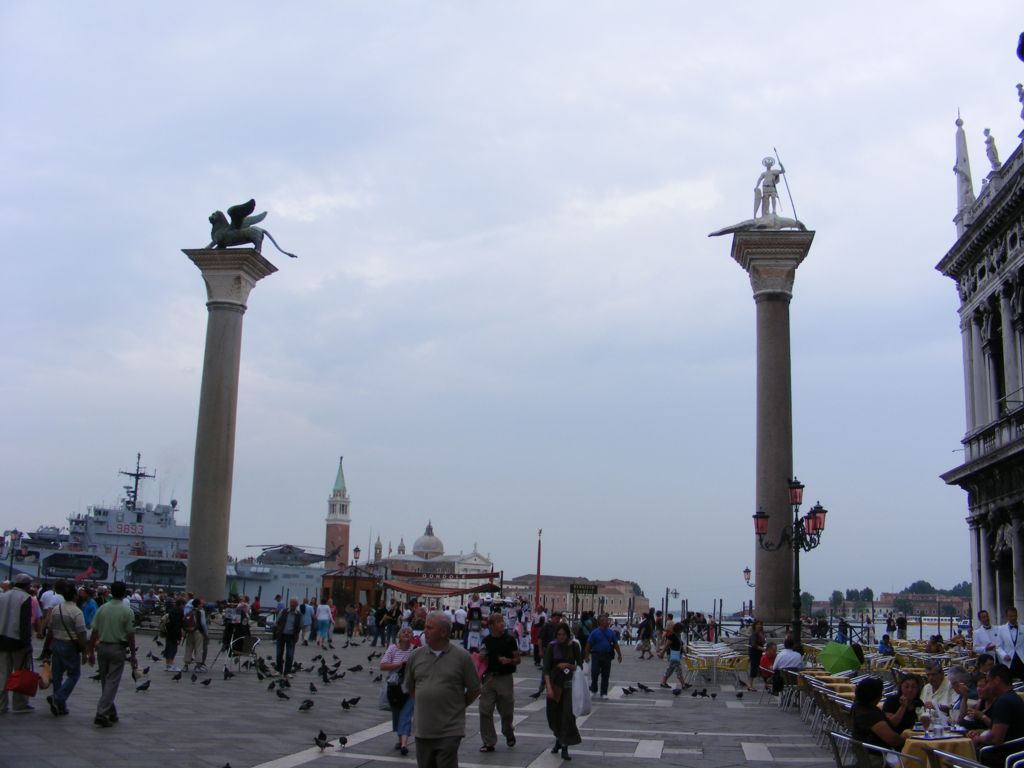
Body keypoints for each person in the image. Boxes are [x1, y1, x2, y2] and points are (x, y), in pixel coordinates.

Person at [405, 611, 480, 768]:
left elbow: (474, 689)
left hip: (450, 729)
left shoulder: (462, 657)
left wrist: (458, 705)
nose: (425, 631)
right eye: (425, 627)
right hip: (423, 729)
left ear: (443, 632)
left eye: (430, 627)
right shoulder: (415, 656)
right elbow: (411, 687)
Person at [86, 581, 138, 727]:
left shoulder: (102, 609)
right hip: (117, 648)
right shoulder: (127, 611)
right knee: (112, 682)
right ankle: (101, 713)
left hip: (101, 647)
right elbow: (131, 635)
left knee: (105, 681)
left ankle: (111, 711)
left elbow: (94, 632)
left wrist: (90, 652)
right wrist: (133, 655)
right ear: (123, 594)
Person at [478, 612, 520, 753]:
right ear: (491, 626)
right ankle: (489, 741)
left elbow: (518, 659)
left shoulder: (509, 640)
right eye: (498, 622)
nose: (502, 624)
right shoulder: (486, 641)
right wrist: (481, 657)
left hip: (505, 678)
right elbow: (481, 656)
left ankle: (508, 732)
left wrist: (509, 661)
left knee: (507, 712)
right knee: (485, 710)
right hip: (489, 678)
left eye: (502, 621)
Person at [45, 581, 88, 717]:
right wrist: (85, 652)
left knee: (57, 675)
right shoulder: (77, 612)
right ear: (75, 596)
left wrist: (47, 647)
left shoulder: (57, 609)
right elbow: (81, 634)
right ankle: (58, 698)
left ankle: (60, 706)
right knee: (74, 674)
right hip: (70, 645)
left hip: (56, 643)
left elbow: (50, 630)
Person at [969, 665, 1024, 767]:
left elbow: (996, 738)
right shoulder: (1014, 698)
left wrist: (978, 739)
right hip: (1017, 751)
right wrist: (980, 732)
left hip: (1003, 756)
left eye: (989, 681)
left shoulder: (1003, 702)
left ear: (997, 680)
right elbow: (1009, 730)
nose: (988, 686)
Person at [544, 622, 582, 761]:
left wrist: (568, 665)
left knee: (567, 716)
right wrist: (548, 687)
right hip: (555, 685)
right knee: (553, 715)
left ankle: (565, 745)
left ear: (567, 634)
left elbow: (580, 665)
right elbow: (546, 669)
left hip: (569, 686)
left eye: (563, 634)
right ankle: (558, 739)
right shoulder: (551, 647)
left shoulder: (574, 646)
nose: (561, 637)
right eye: (559, 634)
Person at [0, 573, 37, 714]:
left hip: (1, 638)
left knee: (3, 673)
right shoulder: (26, 598)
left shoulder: (3, 596)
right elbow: (25, 624)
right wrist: (27, 643)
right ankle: (19, 703)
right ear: (27, 585)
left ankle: (1, 704)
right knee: (21, 672)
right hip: (18, 641)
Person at [380, 626, 416, 756]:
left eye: (409, 632)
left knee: (406, 714)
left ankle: (404, 744)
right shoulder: (392, 648)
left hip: (410, 688)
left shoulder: (416, 650)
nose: (406, 633)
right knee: (397, 714)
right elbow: (382, 666)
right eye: (403, 632)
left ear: (412, 636)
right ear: (399, 636)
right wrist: (399, 664)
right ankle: (400, 737)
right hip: (395, 687)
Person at [852, 676, 906, 752]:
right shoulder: (868, 714)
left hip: (866, 754)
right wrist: (905, 739)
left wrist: (903, 707)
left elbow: (891, 723)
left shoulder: (859, 706)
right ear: (876, 696)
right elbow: (892, 739)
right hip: (879, 757)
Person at [583, 613, 622, 699]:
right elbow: (588, 645)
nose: (607, 622)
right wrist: (586, 656)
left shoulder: (611, 632)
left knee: (606, 674)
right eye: (605, 620)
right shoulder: (594, 633)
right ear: (600, 622)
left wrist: (619, 654)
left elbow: (615, 644)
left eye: (607, 620)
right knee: (595, 673)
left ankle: (604, 692)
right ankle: (594, 690)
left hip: (607, 655)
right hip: (596, 655)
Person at [274, 598, 301, 676]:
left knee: (290, 655)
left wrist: (297, 634)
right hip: (281, 635)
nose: (292, 605)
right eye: (291, 603)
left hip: (291, 636)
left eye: (293, 604)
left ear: (296, 605)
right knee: (279, 653)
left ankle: (287, 672)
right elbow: (277, 621)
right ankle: (279, 670)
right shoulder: (284, 611)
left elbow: (300, 626)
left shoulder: (298, 615)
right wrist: (277, 628)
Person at [998, 607, 1024, 679]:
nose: (1013, 618)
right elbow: (998, 646)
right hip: (1009, 660)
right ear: (1007, 617)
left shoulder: (1023, 628)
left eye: (1014, 616)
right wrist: (1004, 655)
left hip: (1021, 660)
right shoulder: (1001, 629)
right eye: (1011, 616)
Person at [182, 596, 206, 672]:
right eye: (201, 604)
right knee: (198, 648)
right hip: (198, 632)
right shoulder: (201, 612)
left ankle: (186, 665)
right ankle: (197, 666)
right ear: (198, 605)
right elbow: (203, 623)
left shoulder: (189, 611)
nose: (202, 605)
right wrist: (205, 633)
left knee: (188, 648)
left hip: (189, 632)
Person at [659, 622, 686, 690]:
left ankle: (663, 682)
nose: (682, 631)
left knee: (670, 669)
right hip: (673, 655)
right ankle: (683, 684)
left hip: (675, 655)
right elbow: (666, 645)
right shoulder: (672, 636)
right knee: (678, 669)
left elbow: (680, 645)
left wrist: (684, 652)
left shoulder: (677, 635)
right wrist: (662, 653)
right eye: (682, 629)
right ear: (679, 629)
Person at [163, 597, 184, 672]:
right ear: (181, 604)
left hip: (169, 632)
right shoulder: (180, 612)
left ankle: (167, 665)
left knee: (168, 647)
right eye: (183, 604)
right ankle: (170, 665)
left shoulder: (171, 610)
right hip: (175, 632)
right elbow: (179, 624)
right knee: (173, 648)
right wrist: (179, 635)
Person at [747, 619, 766, 692]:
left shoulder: (760, 633)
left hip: (759, 653)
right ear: (755, 625)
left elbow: (763, 642)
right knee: (754, 668)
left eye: (761, 624)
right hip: (754, 653)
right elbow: (754, 645)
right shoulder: (754, 634)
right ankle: (750, 685)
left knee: (761, 667)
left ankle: (766, 683)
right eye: (758, 624)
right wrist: (763, 649)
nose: (759, 626)